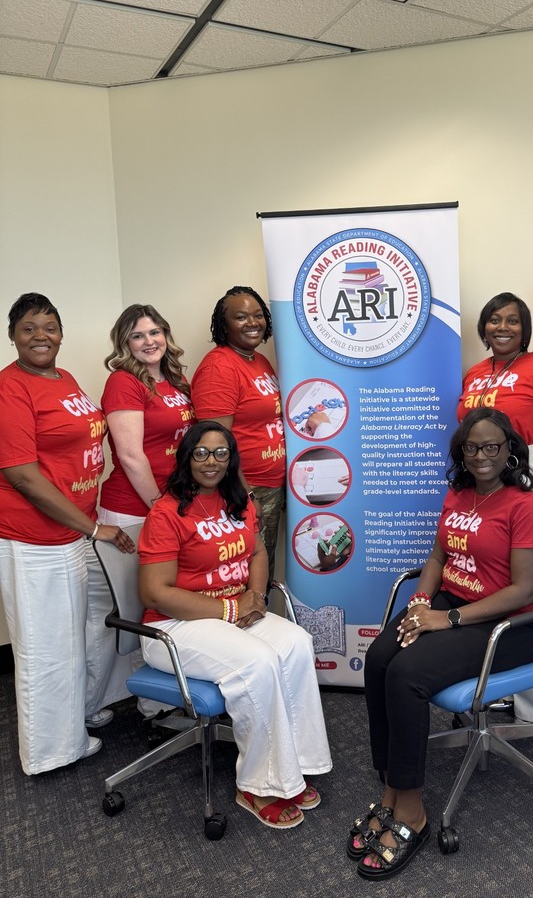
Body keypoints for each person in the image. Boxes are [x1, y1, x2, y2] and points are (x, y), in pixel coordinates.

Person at [352, 409, 533, 878]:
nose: (481, 456)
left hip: (511, 625)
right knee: (380, 658)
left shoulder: (523, 506)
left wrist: (447, 618)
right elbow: (440, 554)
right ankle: (389, 786)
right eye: (471, 447)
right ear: (461, 453)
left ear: (509, 450)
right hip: (451, 605)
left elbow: (524, 591)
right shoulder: (459, 494)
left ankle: (412, 812)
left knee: (406, 676)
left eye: (491, 447)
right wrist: (422, 602)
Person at [138, 420, 331, 829]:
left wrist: (256, 598)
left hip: (233, 611)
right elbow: (154, 593)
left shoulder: (239, 500)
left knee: (296, 641)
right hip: (173, 627)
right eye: (202, 453)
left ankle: (294, 764)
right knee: (258, 661)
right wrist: (229, 608)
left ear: (231, 458)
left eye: (221, 452)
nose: (212, 461)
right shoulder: (167, 511)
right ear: (187, 457)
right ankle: (258, 784)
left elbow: (258, 553)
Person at [0, 293, 134, 775]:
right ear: (12, 334)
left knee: (71, 634)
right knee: (44, 649)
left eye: (50, 326)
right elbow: (21, 475)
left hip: (68, 534)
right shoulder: (10, 388)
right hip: (33, 538)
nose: (41, 336)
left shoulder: (64, 379)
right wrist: (94, 526)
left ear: (62, 333)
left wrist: (84, 524)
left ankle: (75, 715)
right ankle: (52, 751)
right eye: (29, 327)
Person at [458, 292, 533, 724]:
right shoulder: (474, 373)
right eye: (494, 319)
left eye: (512, 320)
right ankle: (500, 682)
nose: (502, 327)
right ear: (484, 327)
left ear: (525, 328)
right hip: (484, 477)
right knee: (492, 579)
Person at [93, 303, 195, 718]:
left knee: (168, 599)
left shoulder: (175, 380)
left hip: (169, 506)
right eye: (138, 335)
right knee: (141, 604)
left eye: (155, 332)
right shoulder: (122, 383)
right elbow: (132, 457)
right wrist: (160, 508)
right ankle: (154, 705)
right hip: (133, 511)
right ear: (125, 343)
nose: (149, 341)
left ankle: (163, 696)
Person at [191, 287, 285, 580]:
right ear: (224, 325)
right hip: (248, 488)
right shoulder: (219, 366)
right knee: (246, 577)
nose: (252, 323)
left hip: (273, 486)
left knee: (263, 572)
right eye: (241, 317)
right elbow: (214, 447)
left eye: (258, 315)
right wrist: (246, 494)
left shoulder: (258, 360)